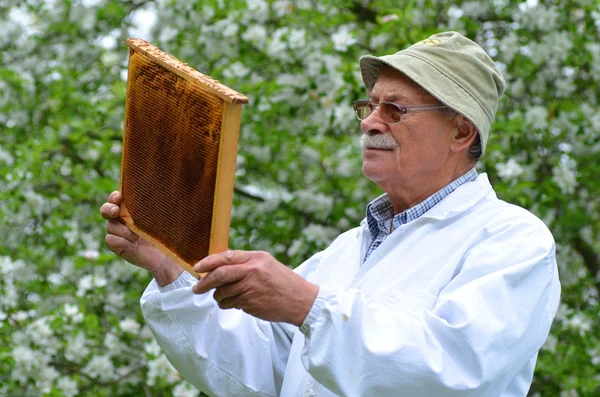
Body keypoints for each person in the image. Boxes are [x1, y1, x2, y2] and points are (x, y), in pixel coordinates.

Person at [100, 31, 560, 397]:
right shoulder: (344, 251)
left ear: (461, 131)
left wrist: (307, 305)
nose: (370, 121)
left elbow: (456, 369)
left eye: (395, 109)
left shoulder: (512, 241)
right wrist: (167, 269)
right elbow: (260, 375)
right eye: (369, 105)